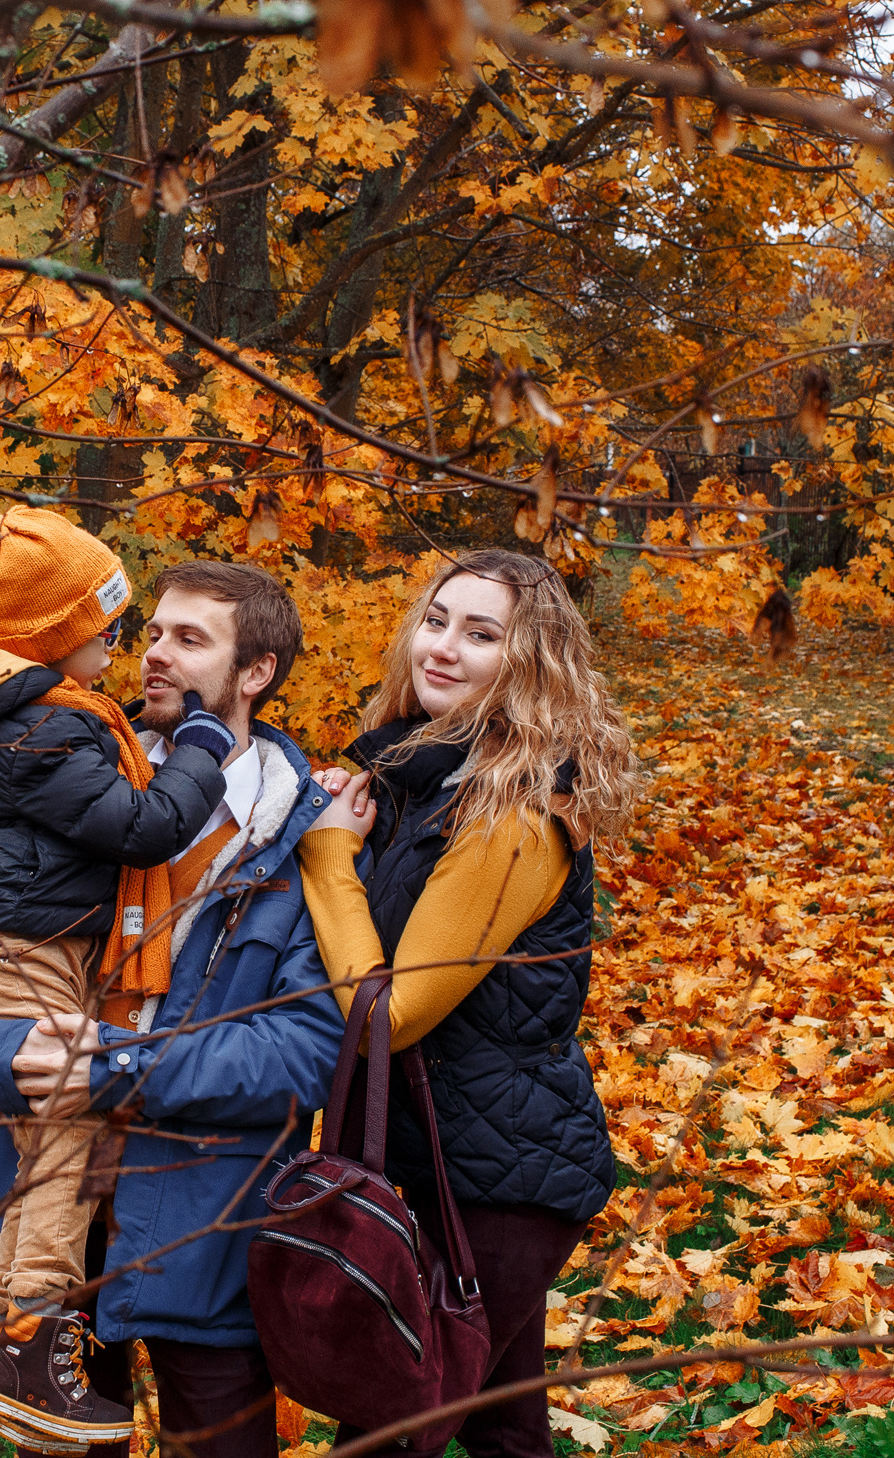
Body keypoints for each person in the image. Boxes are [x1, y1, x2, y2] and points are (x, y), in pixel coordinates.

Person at [0, 560, 345, 1458]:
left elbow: (307, 1049)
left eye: (190, 640)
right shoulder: (64, 771)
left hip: (203, 1224)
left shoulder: (304, 835)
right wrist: (9, 1057)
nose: (153, 654)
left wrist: (119, 1065)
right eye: (152, 631)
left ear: (256, 672)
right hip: (44, 1220)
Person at [0, 509, 247, 1448]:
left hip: (21, 953)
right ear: (58, 640)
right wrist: (202, 748)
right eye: (108, 624)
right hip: (18, 962)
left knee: (45, 1142)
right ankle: (28, 1343)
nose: (125, 642)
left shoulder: (46, 717)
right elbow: (141, 828)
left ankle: (6, 1343)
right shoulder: (47, 732)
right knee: (66, 1133)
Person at [300, 549, 638, 1458]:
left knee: (388, 1421)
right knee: (505, 1427)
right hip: (453, 1158)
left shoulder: (512, 814)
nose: (442, 647)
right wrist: (353, 821)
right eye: (438, 619)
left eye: (481, 633)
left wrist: (329, 859)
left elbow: (388, 1013)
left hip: (502, 1180)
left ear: (527, 663)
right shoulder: (432, 779)